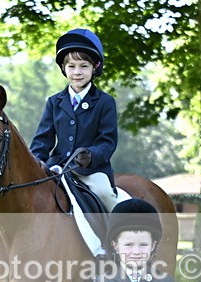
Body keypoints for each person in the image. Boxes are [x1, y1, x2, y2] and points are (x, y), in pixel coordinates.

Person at [30, 28, 129, 257]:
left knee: (106, 196)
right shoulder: (54, 102)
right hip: (58, 168)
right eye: (71, 66)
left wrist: (92, 156)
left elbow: (108, 141)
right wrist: (36, 161)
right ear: (63, 68)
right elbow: (43, 139)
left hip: (92, 171)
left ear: (95, 68)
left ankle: (116, 248)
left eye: (83, 66)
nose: (77, 72)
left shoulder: (105, 102)